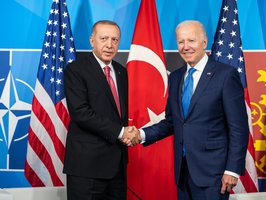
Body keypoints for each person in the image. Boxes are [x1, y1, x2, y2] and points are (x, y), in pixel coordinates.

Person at [125, 20, 249, 200]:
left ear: (204, 43)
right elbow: (172, 122)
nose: (185, 47)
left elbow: (238, 128)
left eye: (191, 41)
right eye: (181, 42)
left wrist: (232, 169)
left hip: (214, 174)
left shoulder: (225, 75)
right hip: (183, 173)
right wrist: (140, 134)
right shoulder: (175, 77)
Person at [63, 20, 139, 200]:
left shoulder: (121, 71)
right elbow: (80, 113)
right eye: (103, 38)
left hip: (117, 167)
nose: (109, 45)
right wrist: (121, 132)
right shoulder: (76, 69)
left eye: (115, 39)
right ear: (92, 40)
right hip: (87, 168)